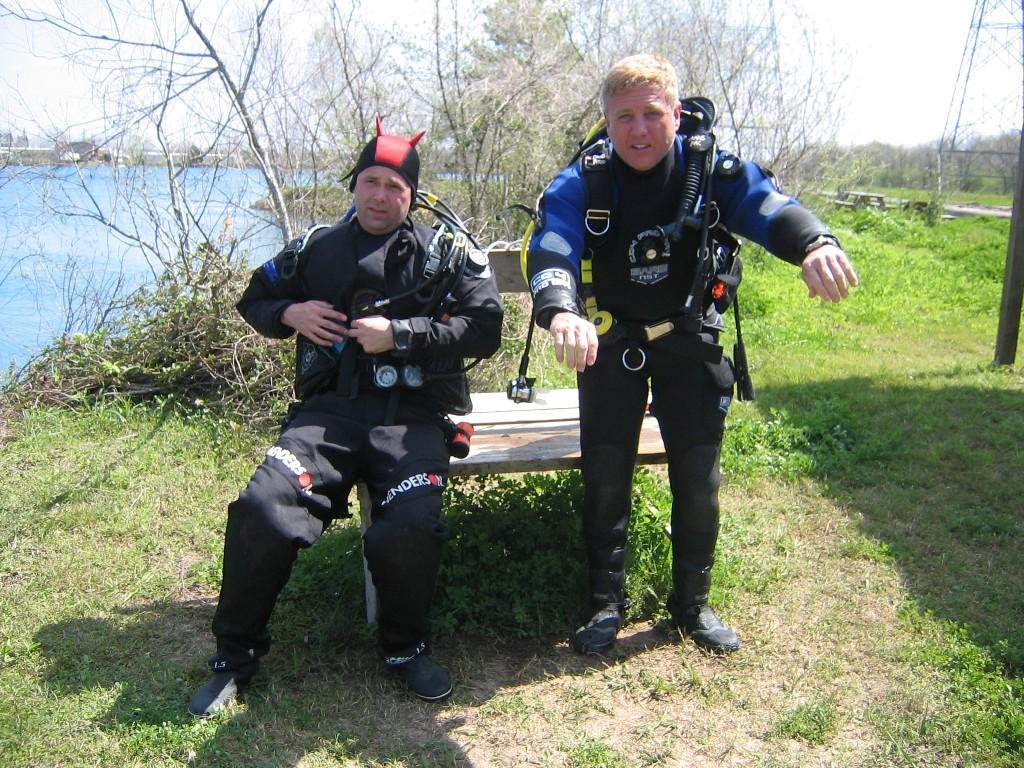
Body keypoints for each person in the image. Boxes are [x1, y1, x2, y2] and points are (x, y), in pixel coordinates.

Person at [526, 54, 858, 656]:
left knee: (698, 482)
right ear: (606, 118)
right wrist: (561, 311)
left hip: (688, 336)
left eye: (653, 114)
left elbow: (766, 206)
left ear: (676, 114)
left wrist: (815, 242)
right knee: (606, 476)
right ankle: (604, 607)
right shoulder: (585, 179)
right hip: (610, 338)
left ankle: (692, 605)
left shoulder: (710, 171)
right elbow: (551, 245)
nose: (639, 130)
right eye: (624, 116)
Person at [188, 119, 503, 716]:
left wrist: (403, 336)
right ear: (354, 185)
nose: (381, 196)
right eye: (371, 182)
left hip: (412, 418)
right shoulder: (316, 247)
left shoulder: (442, 255)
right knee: (263, 505)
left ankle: (404, 647)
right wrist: (291, 312)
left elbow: (484, 327)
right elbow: (254, 298)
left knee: (409, 525)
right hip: (326, 415)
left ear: (411, 195)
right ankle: (235, 654)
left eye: (395, 186)